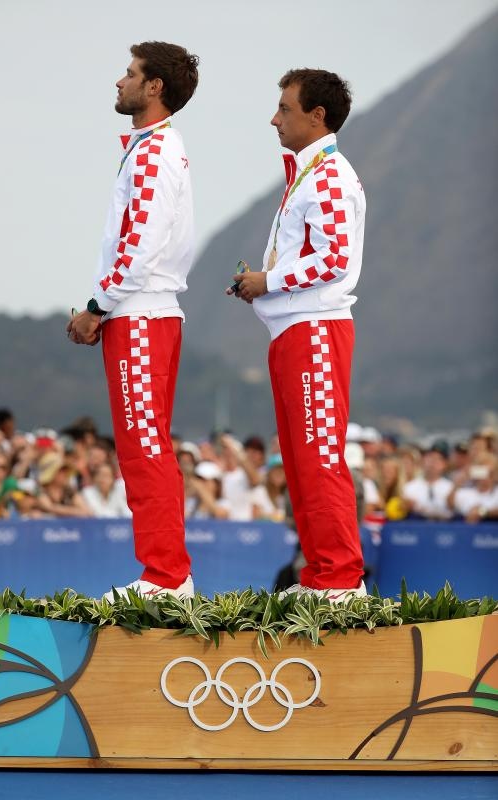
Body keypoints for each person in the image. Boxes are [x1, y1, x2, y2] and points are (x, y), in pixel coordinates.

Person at [67, 41, 199, 600]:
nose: (118, 82)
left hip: (138, 313)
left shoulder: (153, 153)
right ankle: (167, 572)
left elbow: (138, 244)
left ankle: (167, 576)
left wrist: (97, 306)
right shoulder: (152, 148)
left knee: (143, 447)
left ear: (154, 88)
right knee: (146, 446)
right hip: (146, 311)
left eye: (129, 74)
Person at [230, 69, 367, 601]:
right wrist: (264, 283)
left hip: (314, 329)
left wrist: (269, 280)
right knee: (299, 458)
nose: (274, 118)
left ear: (318, 117)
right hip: (294, 330)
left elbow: (335, 259)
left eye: (284, 108)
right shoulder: (308, 174)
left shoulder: (330, 175)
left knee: (317, 455)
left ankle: (340, 579)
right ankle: (320, 573)